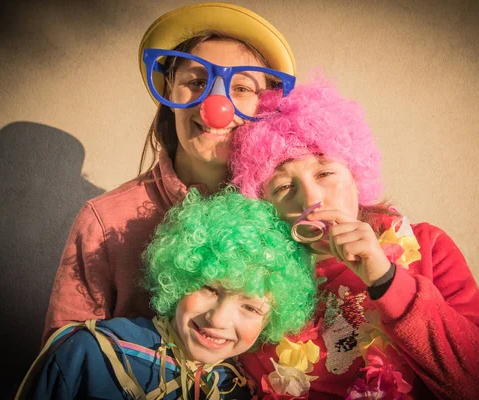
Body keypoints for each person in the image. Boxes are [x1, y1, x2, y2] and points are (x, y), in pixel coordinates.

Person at [229, 76, 479, 399]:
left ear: (357, 179)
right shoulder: (256, 290)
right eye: (284, 187)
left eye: (325, 173)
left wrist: (386, 280)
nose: (310, 199)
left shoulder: (427, 247)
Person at [43, 2, 297, 341]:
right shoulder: (103, 222)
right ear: (168, 92)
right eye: (196, 81)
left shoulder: (287, 209)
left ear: (265, 105)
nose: (215, 106)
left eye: (241, 88)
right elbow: (65, 364)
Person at [17, 189, 317, 399]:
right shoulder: (87, 353)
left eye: (250, 307)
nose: (218, 319)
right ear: (179, 276)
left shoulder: (238, 389)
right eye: (209, 288)